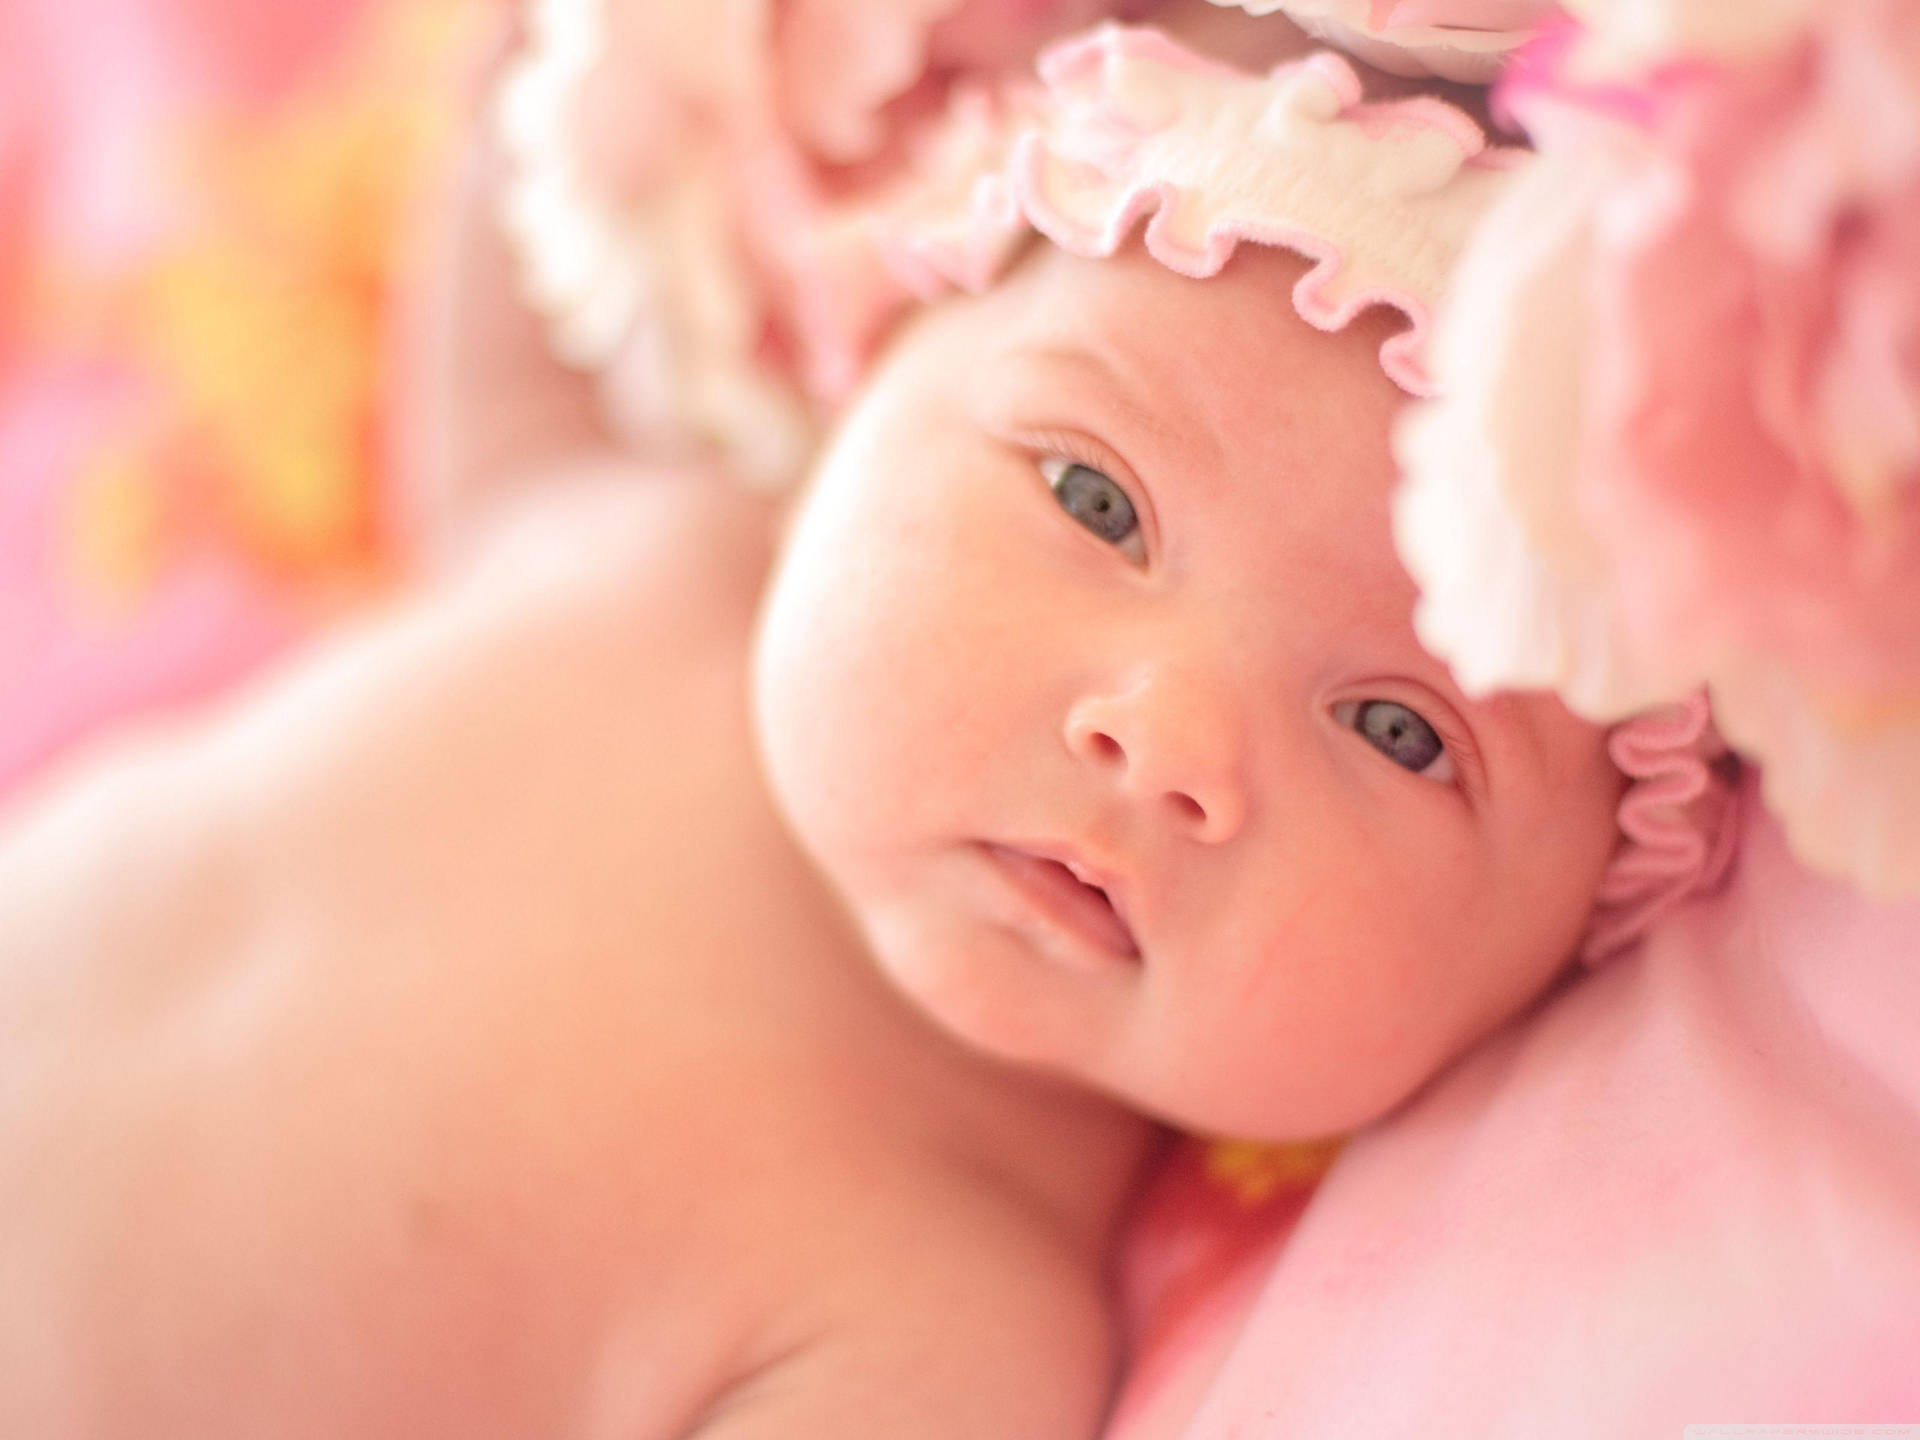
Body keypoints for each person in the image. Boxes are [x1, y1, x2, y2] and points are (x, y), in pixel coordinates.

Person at [0, 7, 1727, 1437]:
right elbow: (550, 138)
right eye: (1094, 500)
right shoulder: (619, 522)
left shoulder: (936, 1325)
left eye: (1402, 733)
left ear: (1568, 951)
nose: (1170, 738)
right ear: (858, 385)